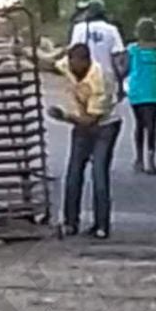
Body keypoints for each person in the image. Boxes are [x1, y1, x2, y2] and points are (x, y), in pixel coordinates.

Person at [49, 44, 121, 239]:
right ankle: (71, 222)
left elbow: (91, 120)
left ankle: (101, 224)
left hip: (105, 125)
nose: (73, 70)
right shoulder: (69, 65)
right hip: (81, 123)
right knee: (73, 173)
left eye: (76, 66)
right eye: (70, 65)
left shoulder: (100, 79)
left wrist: (64, 116)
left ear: (86, 62)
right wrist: (24, 53)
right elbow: (50, 64)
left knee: (99, 173)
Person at [127, 18, 156, 175]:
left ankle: (139, 159)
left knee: (140, 125)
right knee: (151, 125)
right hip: (154, 93)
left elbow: (125, 69)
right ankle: (150, 159)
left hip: (136, 92)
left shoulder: (132, 50)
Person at [69, 0, 127, 101]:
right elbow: (118, 60)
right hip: (106, 78)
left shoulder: (79, 28)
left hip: (84, 76)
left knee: (85, 110)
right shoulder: (112, 30)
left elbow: (74, 54)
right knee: (104, 111)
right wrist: (121, 86)